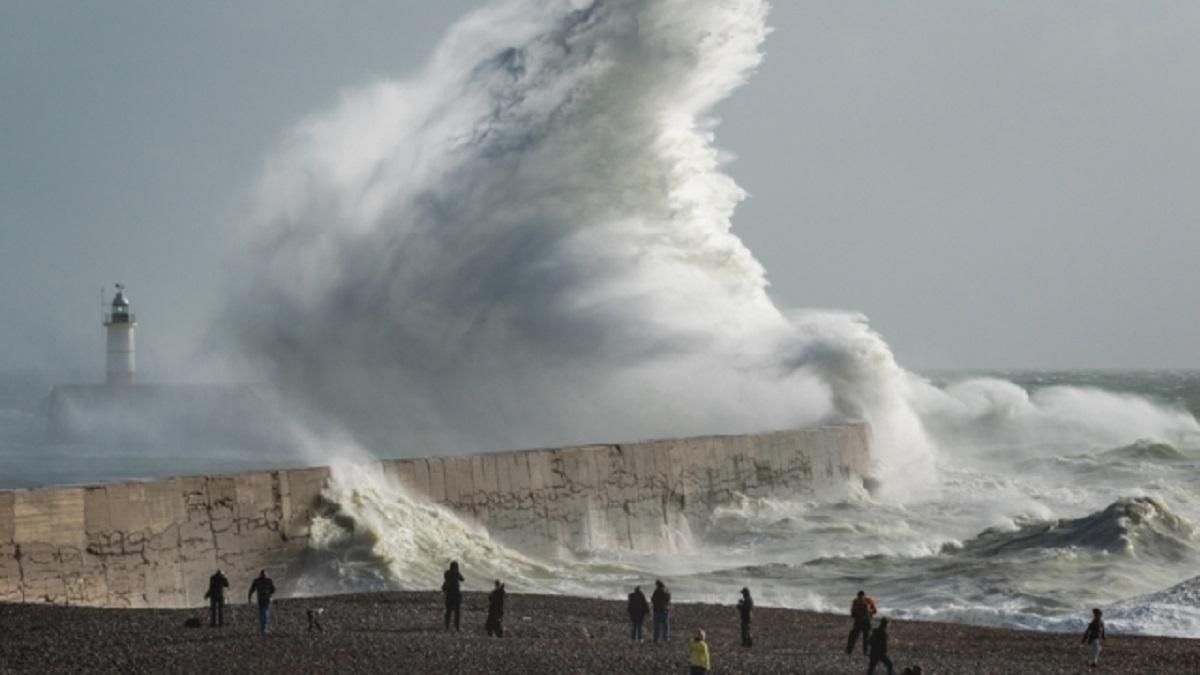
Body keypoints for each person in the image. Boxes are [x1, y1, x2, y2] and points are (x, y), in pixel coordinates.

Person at [846, 589, 878, 656]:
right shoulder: (856, 601)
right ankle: (849, 650)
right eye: (859, 597)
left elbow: (875, 610)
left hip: (866, 621)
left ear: (863, 596)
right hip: (859, 621)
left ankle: (864, 651)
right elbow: (852, 612)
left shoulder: (868, 601)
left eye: (861, 597)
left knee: (865, 637)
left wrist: (869, 614)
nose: (860, 599)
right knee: (854, 636)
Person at [247, 570, 276, 635]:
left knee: (263, 614)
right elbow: (273, 590)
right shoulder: (268, 580)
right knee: (265, 613)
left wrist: (249, 597)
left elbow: (251, 590)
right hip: (265, 599)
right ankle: (264, 628)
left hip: (263, 599)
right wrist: (270, 594)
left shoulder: (258, 581)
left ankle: (263, 628)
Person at [442, 561, 465, 631]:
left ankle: (447, 626)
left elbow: (445, 580)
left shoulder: (448, 574)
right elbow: (462, 579)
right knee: (456, 612)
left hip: (449, 595)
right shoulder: (455, 574)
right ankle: (456, 627)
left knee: (449, 612)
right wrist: (457, 573)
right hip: (455, 595)